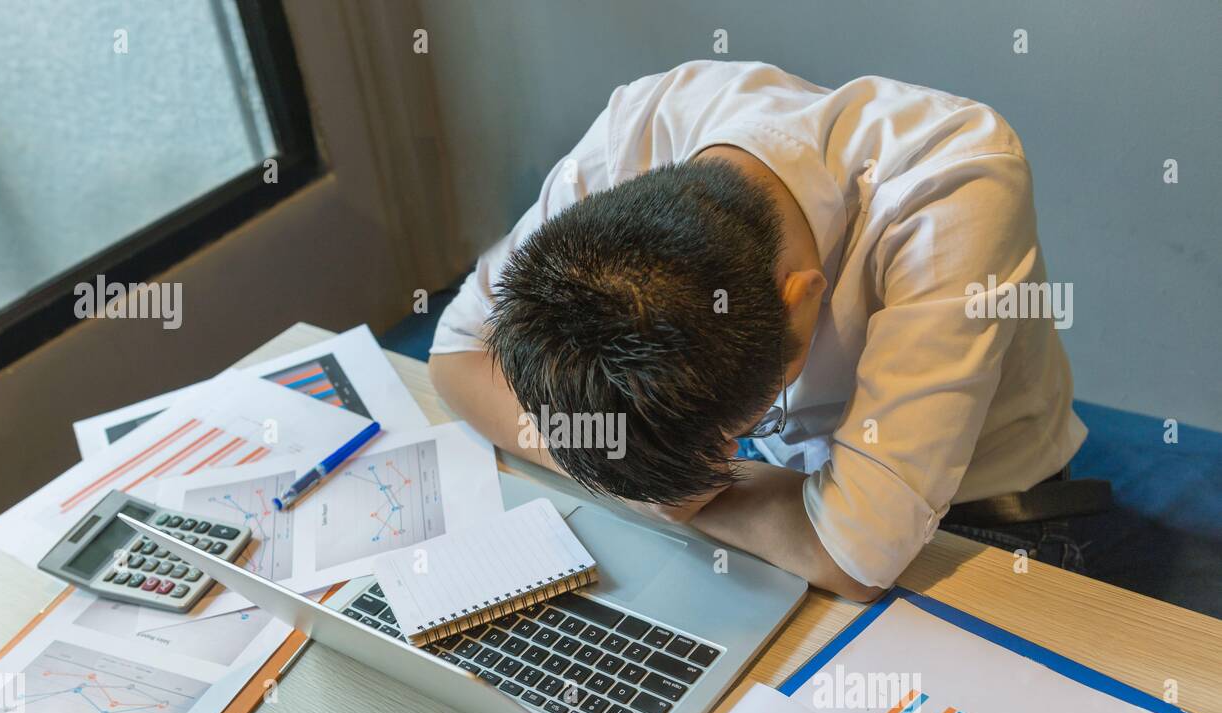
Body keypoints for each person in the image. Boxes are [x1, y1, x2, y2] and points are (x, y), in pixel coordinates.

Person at [428, 60, 1088, 601]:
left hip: (979, 507)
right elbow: (458, 355)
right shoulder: (637, 132)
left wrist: (676, 487)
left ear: (802, 299)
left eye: (733, 427)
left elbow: (853, 557)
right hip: (773, 484)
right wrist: (646, 483)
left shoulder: (954, 189)